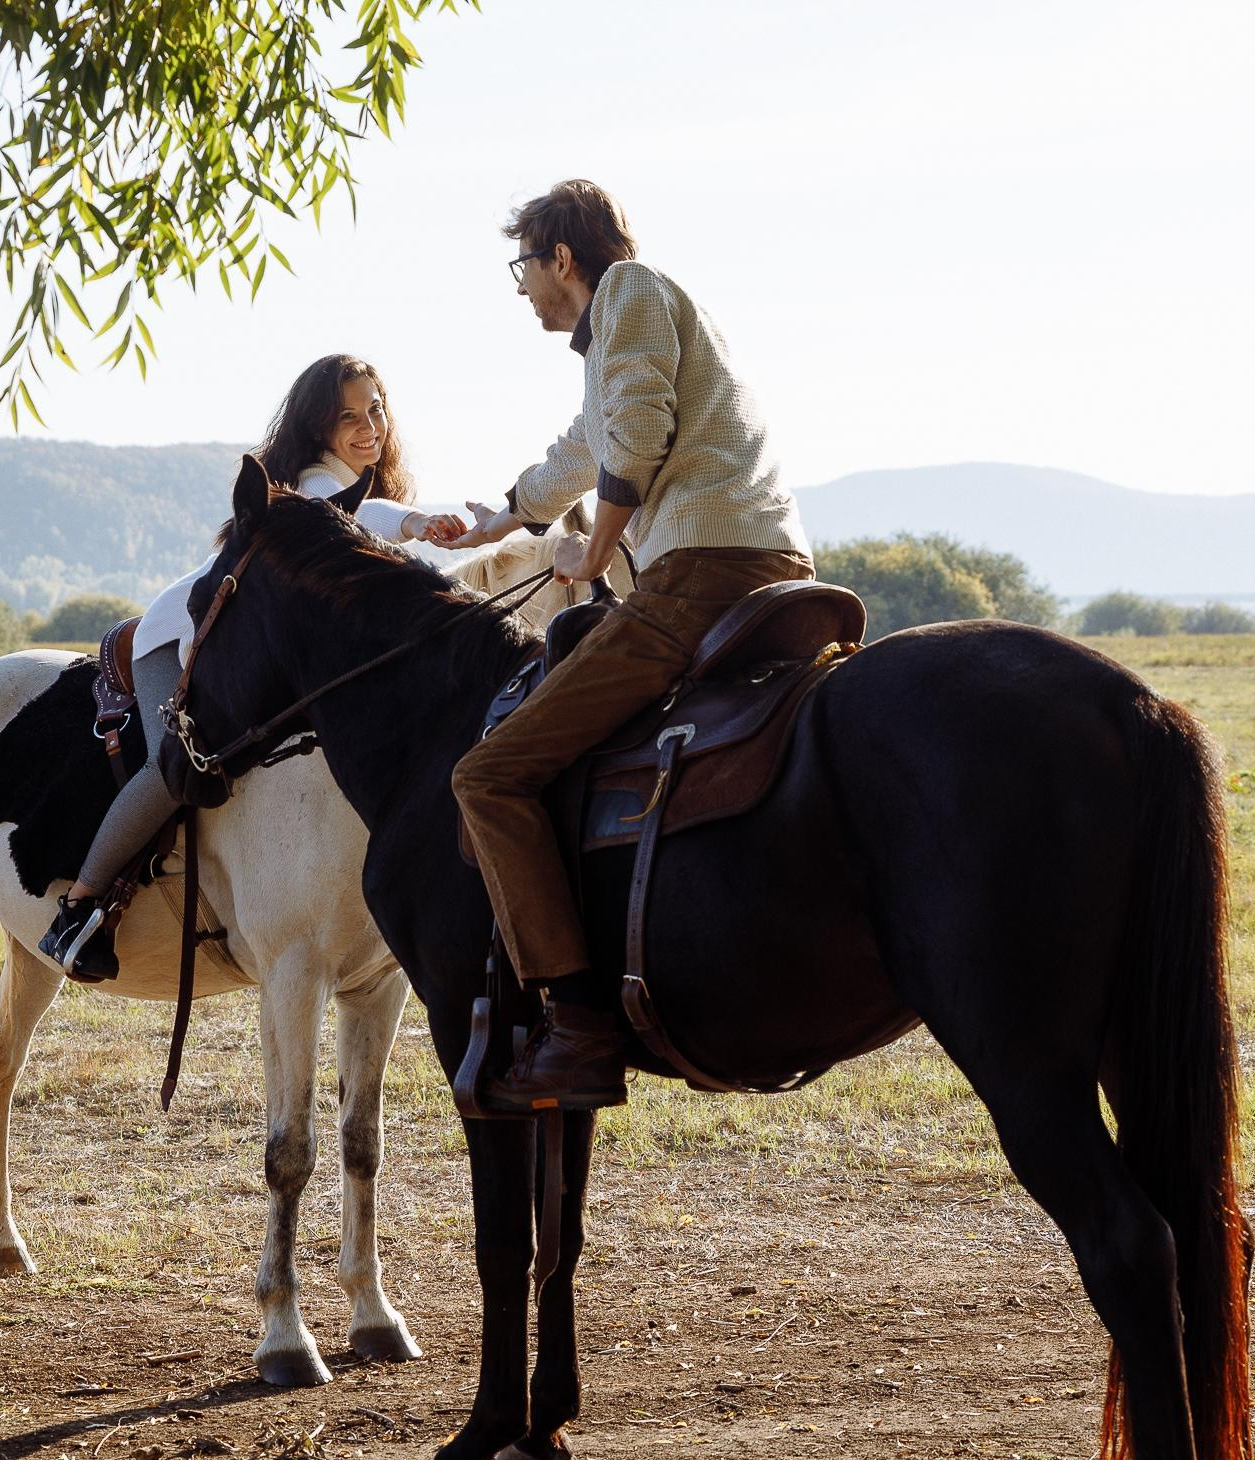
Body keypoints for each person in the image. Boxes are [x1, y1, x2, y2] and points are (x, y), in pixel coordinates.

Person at [429, 180, 813, 1114]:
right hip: (756, 564)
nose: (521, 288)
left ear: (562, 257)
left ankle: (578, 1024)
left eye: (523, 266)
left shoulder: (630, 291)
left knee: (488, 776)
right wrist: (497, 522)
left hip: (700, 575)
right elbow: (581, 451)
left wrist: (591, 554)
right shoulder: (621, 331)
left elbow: (634, 439)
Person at [40, 355, 463, 981]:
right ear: (318, 429)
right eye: (348, 416)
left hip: (249, 645)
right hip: (177, 637)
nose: (368, 425)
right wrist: (415, 522)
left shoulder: (367, 485)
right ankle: (79, 910)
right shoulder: (317, 487)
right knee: (171, 767)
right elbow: (364, 524)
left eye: (375, 409)